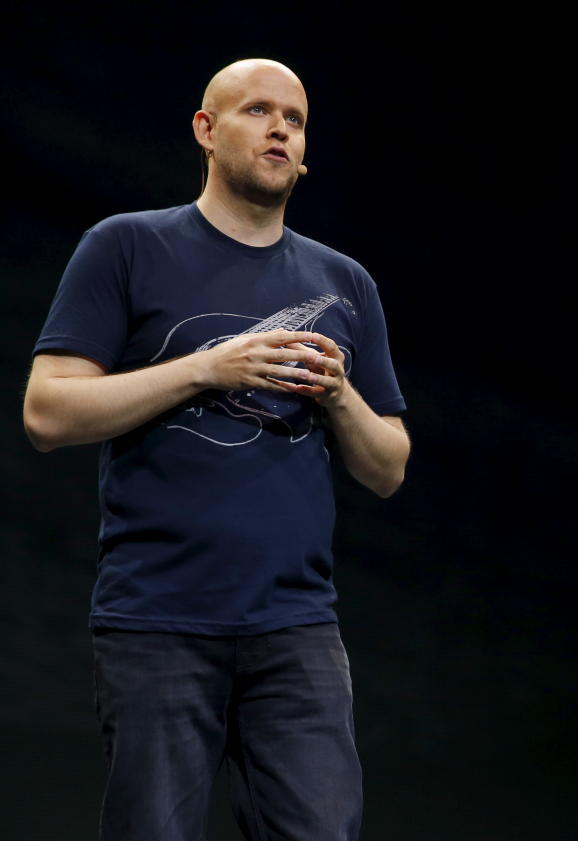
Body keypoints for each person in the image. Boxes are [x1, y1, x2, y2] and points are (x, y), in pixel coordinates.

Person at [22, 58, 408, 841]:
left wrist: (339, 396)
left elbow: (388, 466)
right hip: (158, 621)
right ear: (205, 130)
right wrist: (208, 366)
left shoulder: (345, 282)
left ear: (303, 153)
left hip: (296, 628)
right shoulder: (127, 246)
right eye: (257, 110)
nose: (278, 128)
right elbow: (47, 410)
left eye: (293, 120)